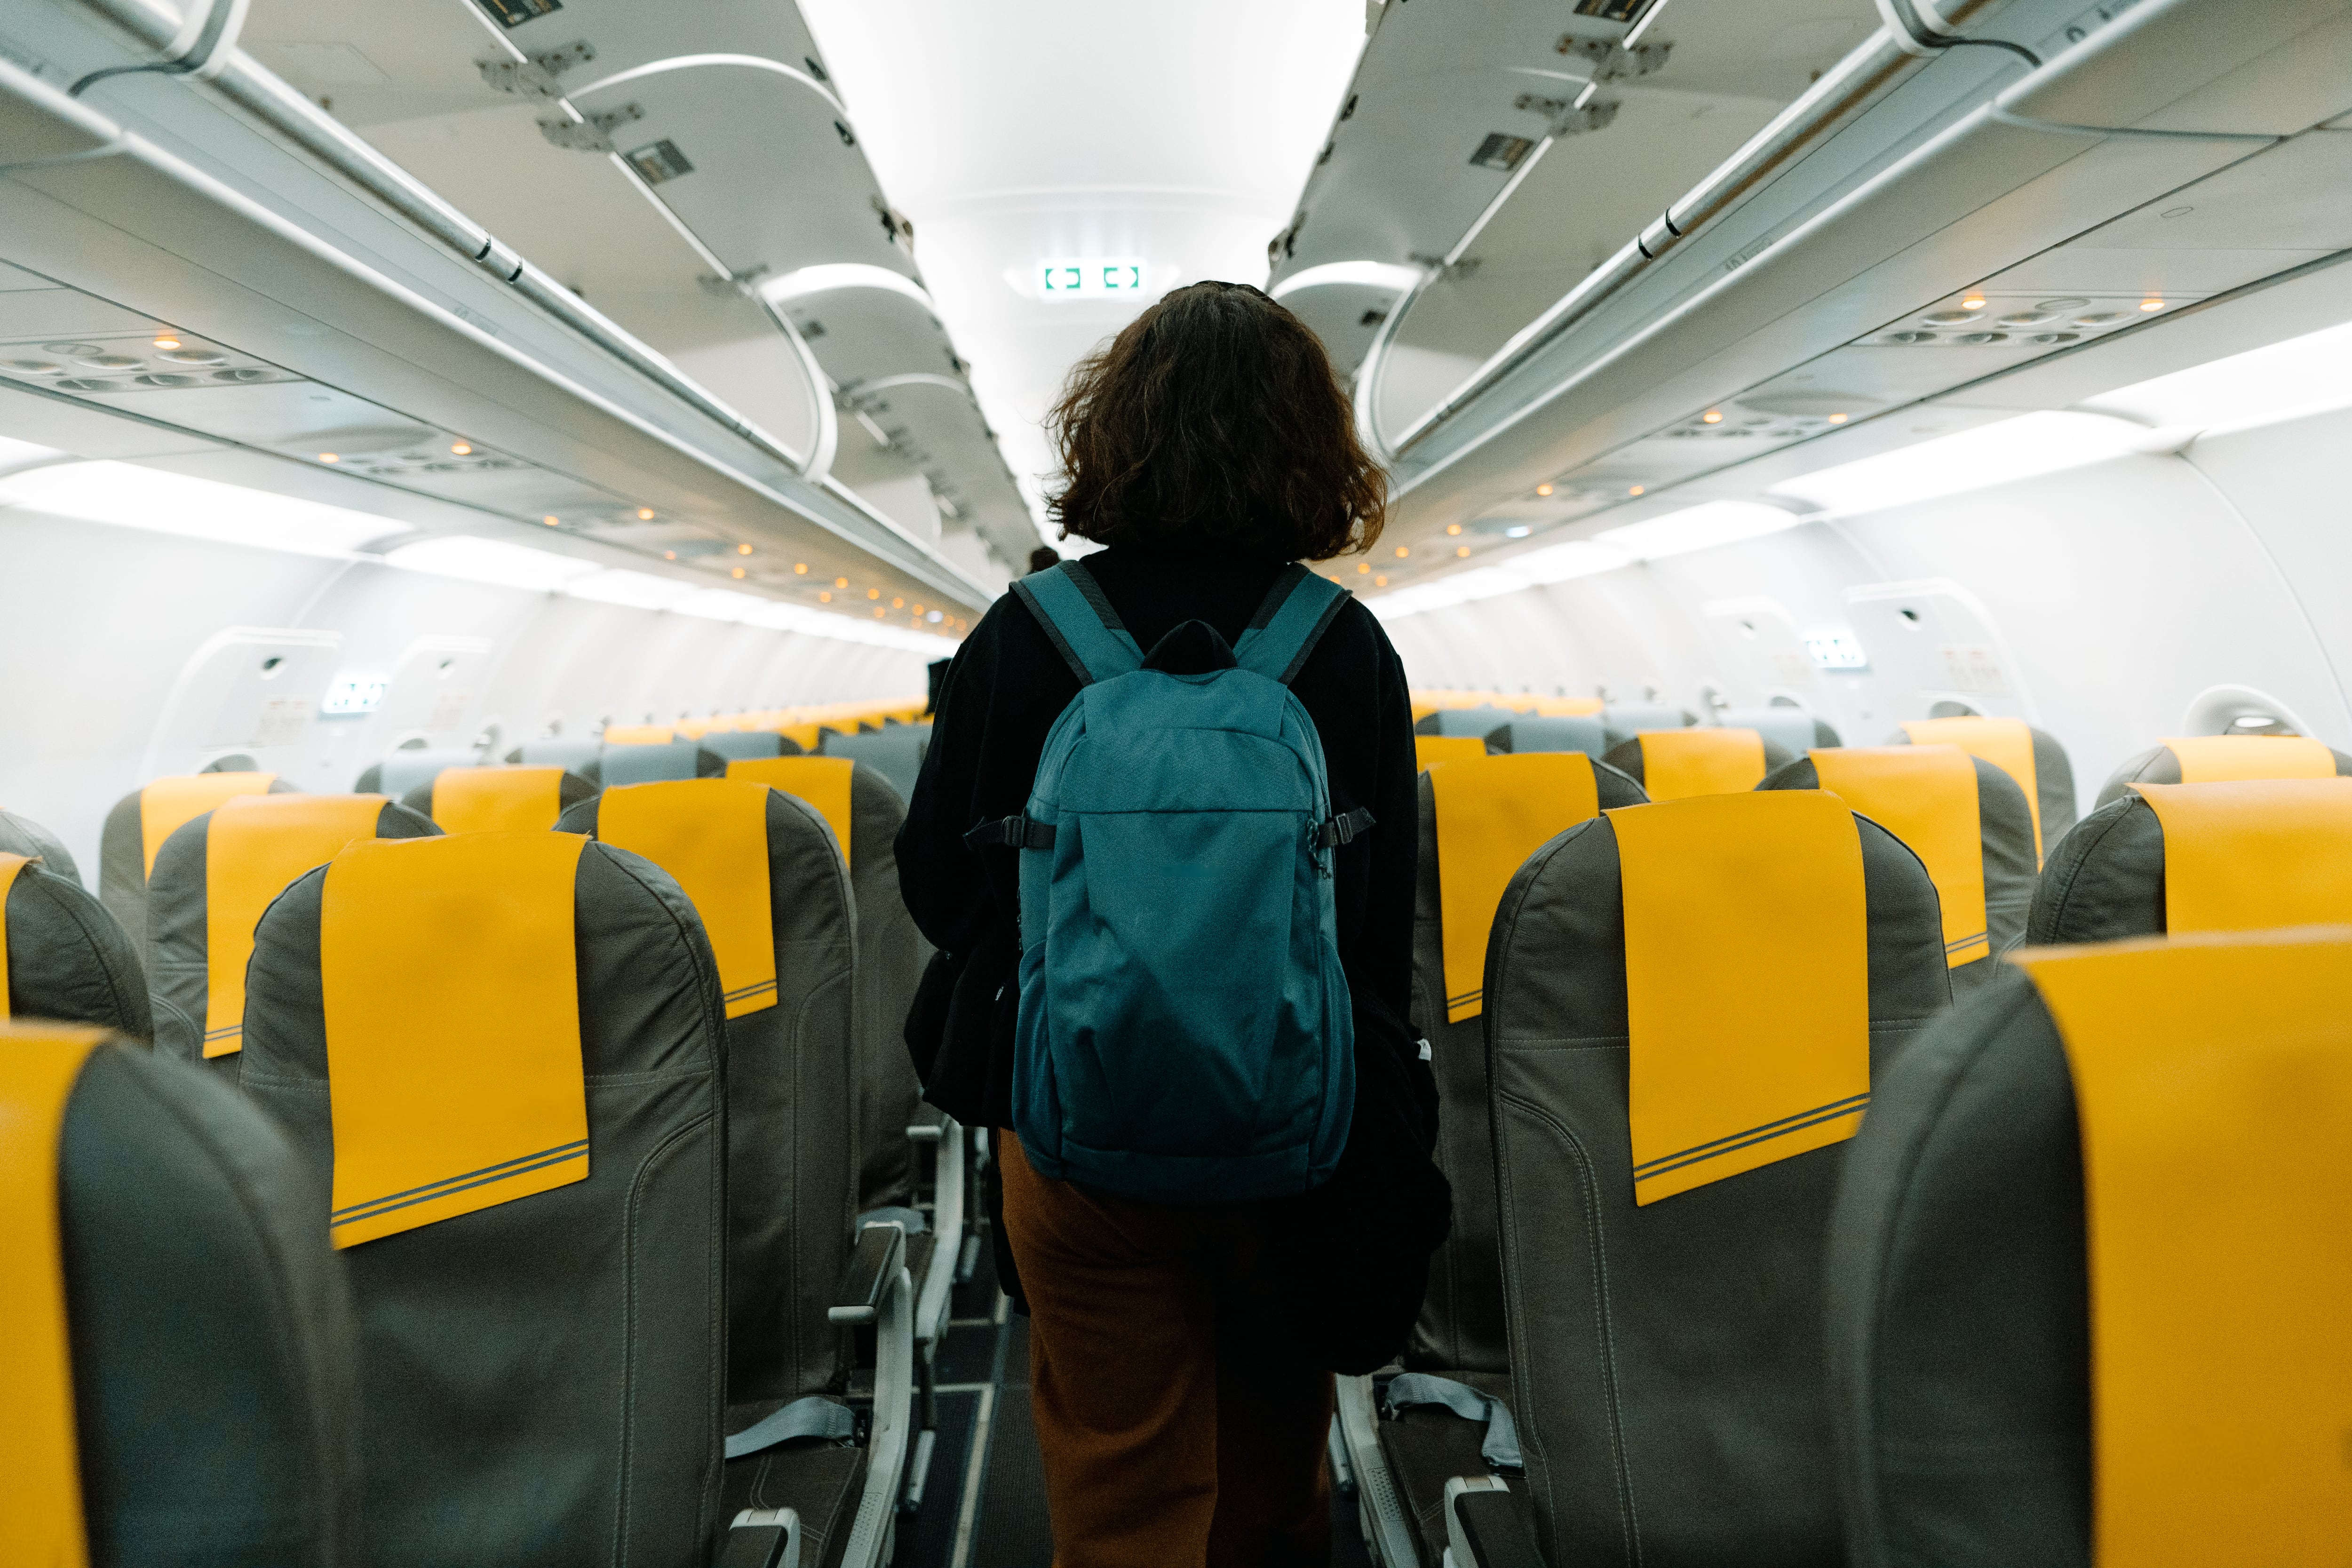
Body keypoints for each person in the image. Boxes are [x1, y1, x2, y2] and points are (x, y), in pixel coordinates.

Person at [898, 281, 1438, 1567]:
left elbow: (935, 882)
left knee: (1120, 1471)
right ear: (1311, 443)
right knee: (1272, 1466)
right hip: (1292, 1111)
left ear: (1111, 433)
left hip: (1075, 1122)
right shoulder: (1343, 647)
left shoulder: (1027, 639)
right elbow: (1377, 921)